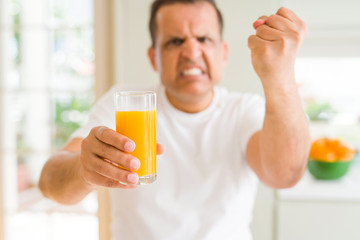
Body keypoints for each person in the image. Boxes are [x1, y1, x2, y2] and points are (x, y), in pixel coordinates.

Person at [39, 0, 310, 239]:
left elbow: (283, 175)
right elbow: (50, 183)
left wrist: (280, 74)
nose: (191, 53)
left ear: (223, 53)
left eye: (204, 39)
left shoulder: (243, 110)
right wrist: (84, 170)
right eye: (175, 42)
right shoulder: (123, 103)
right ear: (153, 58)